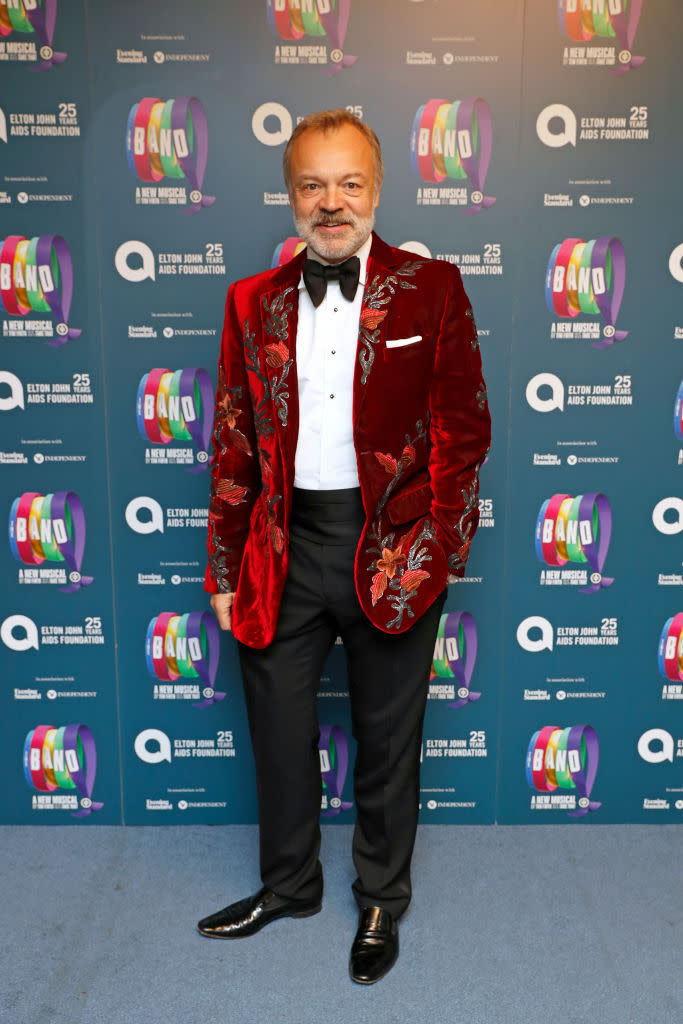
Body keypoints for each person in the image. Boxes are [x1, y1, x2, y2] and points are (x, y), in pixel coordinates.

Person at [197, 108, 491, 984]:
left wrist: (434, 550)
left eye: (348, 183)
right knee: (280, 737)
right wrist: (223, 566)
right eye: (312, 185)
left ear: (377, 189)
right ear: (290, 196)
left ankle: (378, 903)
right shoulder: (250, 302)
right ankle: (288, 887)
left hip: (391, 548)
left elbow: (463, 433)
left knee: (386, 744)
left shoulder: (432, 289)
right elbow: (233, 442)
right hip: (281, 554)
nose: (331, 202)